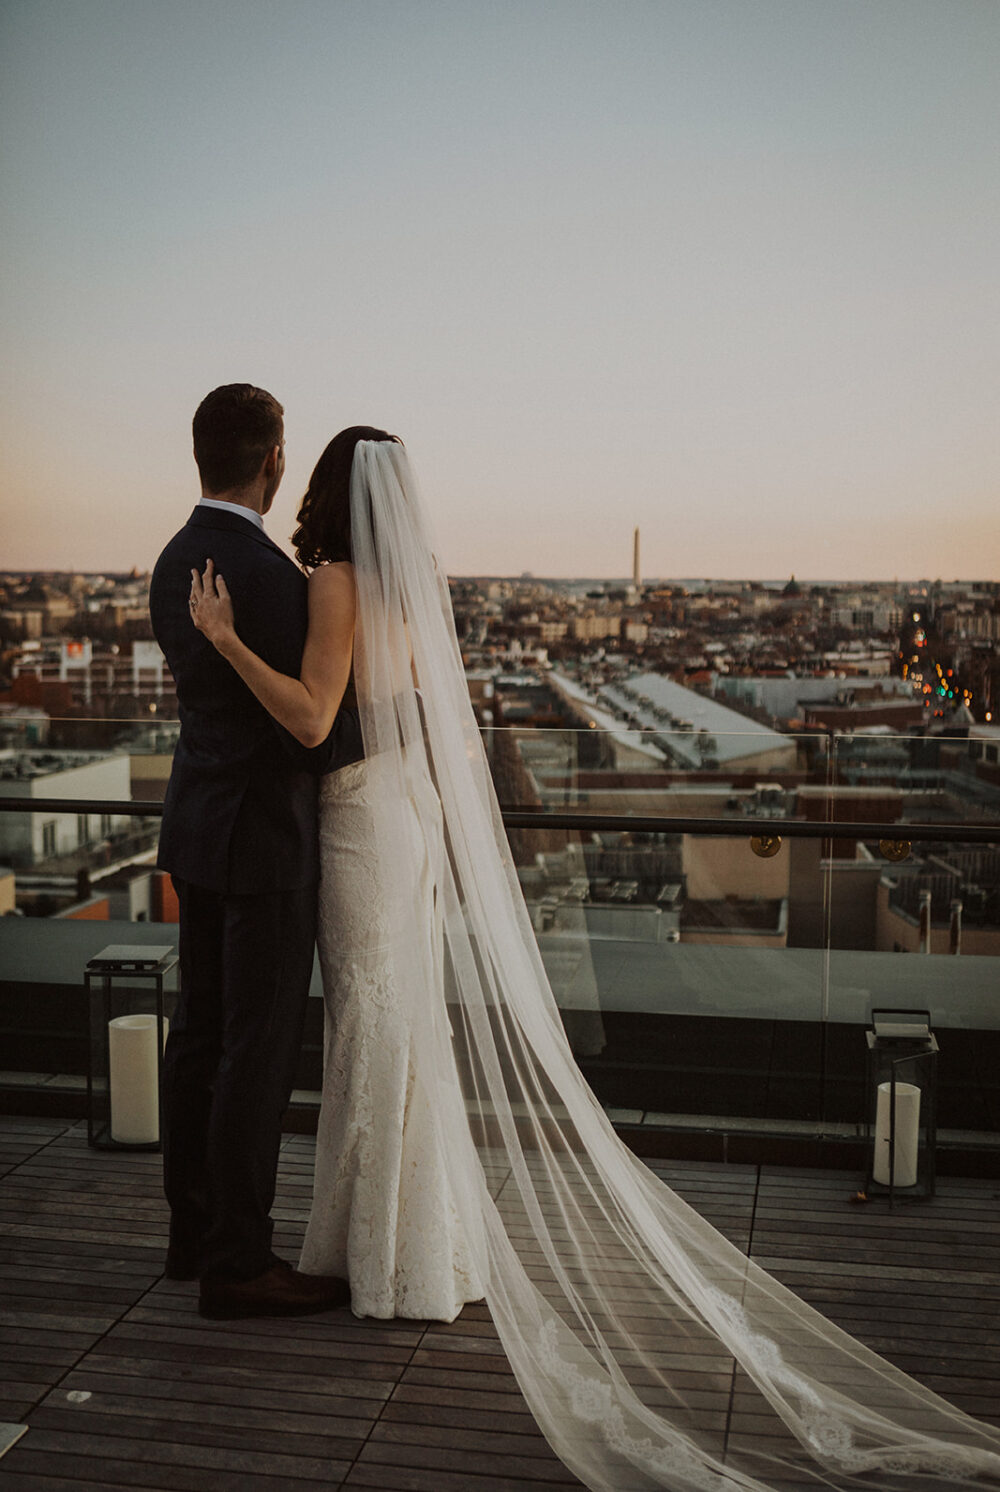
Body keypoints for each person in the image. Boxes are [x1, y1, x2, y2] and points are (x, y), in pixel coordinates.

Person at [188, 430, 1000, 1491]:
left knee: (376, 1026)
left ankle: (385, 1256)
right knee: (398, 1027)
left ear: (330, 493)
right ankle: (407, 1248)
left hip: (360, 824)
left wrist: (225, 641)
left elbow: (308, 718)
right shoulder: (409, 587)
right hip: (406, 813)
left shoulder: (335, 583)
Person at [149, 385, 361, 1321]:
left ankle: (191, 1234)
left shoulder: (168, 562)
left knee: (198, 1034)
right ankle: (240, 1259)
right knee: (256, 1050)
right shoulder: (278, 581)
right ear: (274, 459)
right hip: (269, 838)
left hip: (196, 827)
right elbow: (310, 723)